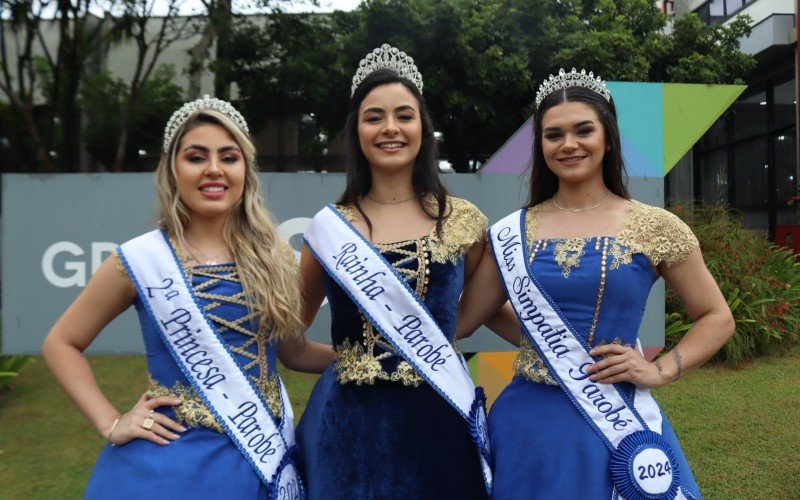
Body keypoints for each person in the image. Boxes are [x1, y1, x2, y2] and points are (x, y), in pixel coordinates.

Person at [457, 69, 735, 499]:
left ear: (607, 137)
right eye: (554, 135)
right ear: (541, 146)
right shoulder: (513, 232)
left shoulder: (655, 226)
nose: (568, 144)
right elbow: (466, 318)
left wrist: (660, 370)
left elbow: (716, 317)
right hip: (527, 425)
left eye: (583, 130)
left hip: (616, 419)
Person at [42, 96, 332, 499]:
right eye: (197, 157)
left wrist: (361, 358)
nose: (214, 169)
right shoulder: (139, 260)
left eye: (228, 157)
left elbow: (293, 352)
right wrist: (111, 422)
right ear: (173, 170)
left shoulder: (276, 256)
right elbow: (61, 343)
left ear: (245, 170)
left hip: (261, 459)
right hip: (168, 467)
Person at [296, 44, 492, 499]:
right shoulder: (329, 230)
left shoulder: (464, 221)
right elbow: (290, 344)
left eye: (404, 115)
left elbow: (493, 308)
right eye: (374, 117)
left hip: (439, 423)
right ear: (356, 131)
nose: (390, 129)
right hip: (348, 431)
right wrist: (358, 356)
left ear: (422, 125)